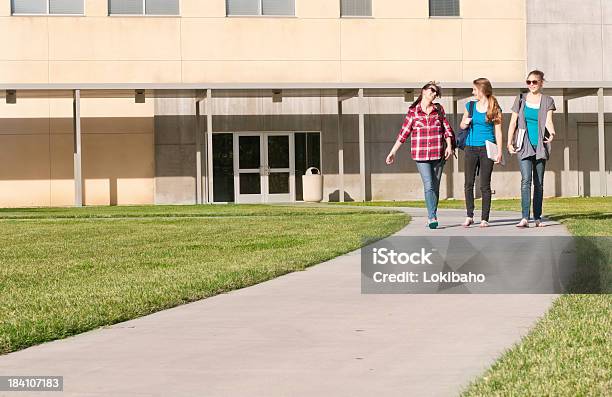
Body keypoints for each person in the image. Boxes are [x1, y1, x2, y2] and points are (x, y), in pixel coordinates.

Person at [386, 81, 454, 229]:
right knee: (429, 185)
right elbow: (403, 133)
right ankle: (431, 216)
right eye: (432, 90)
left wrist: (449, 145)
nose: (434, 94)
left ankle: (433, 212)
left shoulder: (438, 109)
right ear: (423, 91)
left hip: (439, 153)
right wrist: (393, 152)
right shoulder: (413, 112)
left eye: (436, 92)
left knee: (435, 186)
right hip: (421, 154)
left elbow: (446, 128)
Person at [507, 70, 557, 227]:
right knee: (525, 180)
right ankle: (524, 217)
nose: (531, 85)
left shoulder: (548, 100)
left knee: (539, 182)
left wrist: (553, 132)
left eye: (534, 82)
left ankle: (537, 217)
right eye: (528, 82)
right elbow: (513, 122)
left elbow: (548, 120)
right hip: (524, 144)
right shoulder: (521, 99)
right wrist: (509, 142)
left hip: (540, 145)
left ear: (541, 82)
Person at [459, 78, 503, 228]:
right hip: (470, 148)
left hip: (487, 149)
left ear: (482, 90)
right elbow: (462, 124)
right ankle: (469, 215)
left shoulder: (495, 107)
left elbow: (498, 131)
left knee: (485, 185)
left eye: (474, 90)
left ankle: (485, 218)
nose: (472, 92)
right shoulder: (470, 106)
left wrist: (500, 151)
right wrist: (465, 123)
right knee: (468, 183)